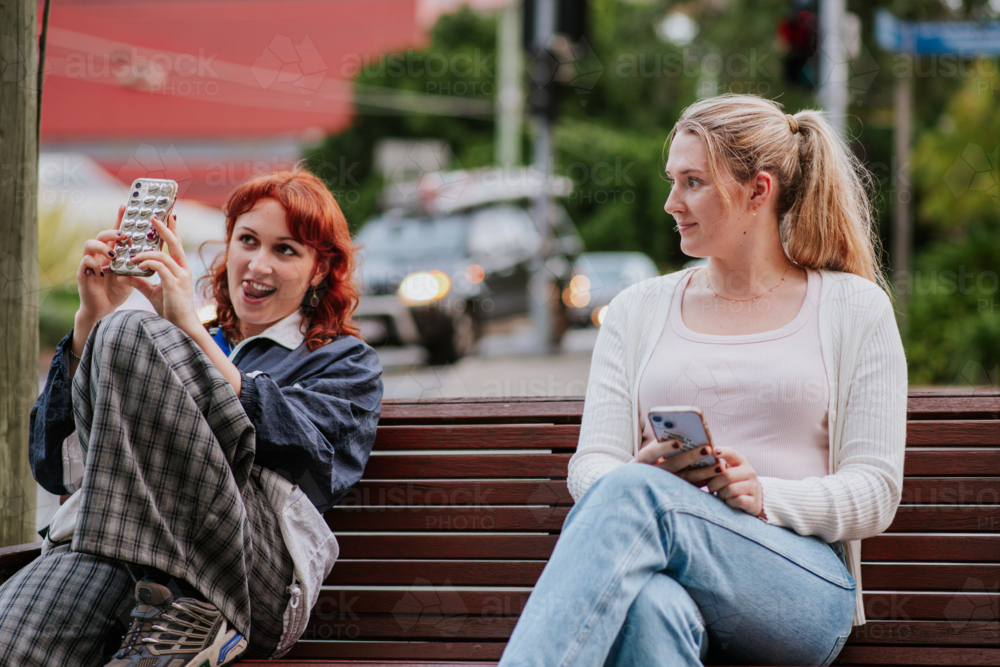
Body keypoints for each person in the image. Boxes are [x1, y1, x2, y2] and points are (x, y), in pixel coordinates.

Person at [498, 95, 907, 666]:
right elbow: (591, 464)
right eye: (673, 180)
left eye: (693, 182)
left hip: (800, 587)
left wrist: (764, 494)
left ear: (758, 191)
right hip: (666, 565)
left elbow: (876, 491)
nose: (671, 203)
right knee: (649, 609)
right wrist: (640, 475)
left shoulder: (853, 308)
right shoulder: (638, 308)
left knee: (640, 498)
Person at [4, 169, 383, 667]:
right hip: (120, 553)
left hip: (248, 580)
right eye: (247, 241)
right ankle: (166, 609)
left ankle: (200, 614)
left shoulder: (344, 361)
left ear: (319, 269)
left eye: (285, 250)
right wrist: (89, 323)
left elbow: (306, 457)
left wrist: (182, 328)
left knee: (128, 330)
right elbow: (59, 471)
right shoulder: (167, 338)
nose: (257, 264)